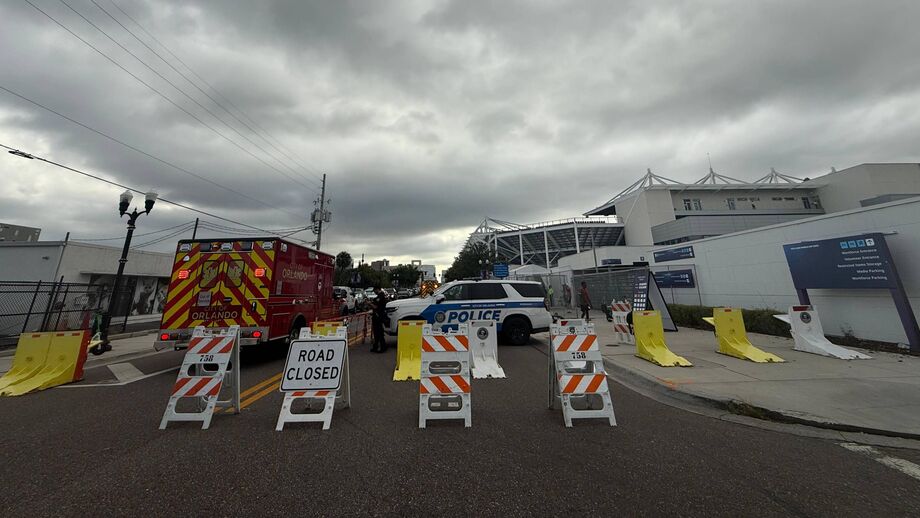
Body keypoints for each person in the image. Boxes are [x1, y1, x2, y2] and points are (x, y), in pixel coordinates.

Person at [370, 286, 388, 353]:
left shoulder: (380, 296)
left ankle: (383, 347)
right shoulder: (380, 296)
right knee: (376, 333)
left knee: (379, 332)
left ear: (377, 289)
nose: (374, 292)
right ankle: (376, 346)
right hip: (378, 315)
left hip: (378, 316)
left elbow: (376, 306)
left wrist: (369, 303)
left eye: (374, 291)